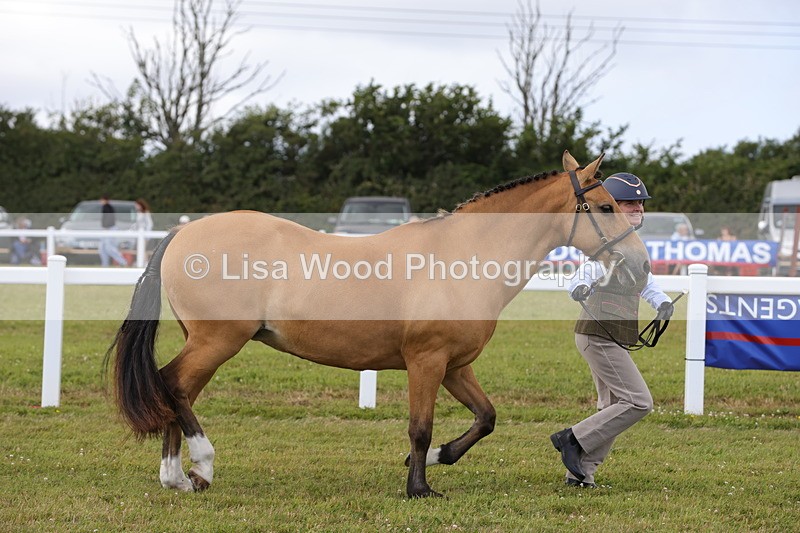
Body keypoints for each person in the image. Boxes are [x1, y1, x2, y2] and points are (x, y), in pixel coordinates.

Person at [550, 172, 674, 489]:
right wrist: (579, 286)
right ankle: (572, 438)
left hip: (612, 335)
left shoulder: (634, 248)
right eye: (629, 203)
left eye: (640, 204)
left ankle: (580, 473)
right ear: (613, 209)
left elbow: (647, 282)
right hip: (598, 334)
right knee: (638, 401)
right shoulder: (607, 247)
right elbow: (586, 271)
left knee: (611, 408)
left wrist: (662, 302)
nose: (638, 209)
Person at [99, 195, 129, 267]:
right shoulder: (108, 207)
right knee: (102, 248)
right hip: (107, 229)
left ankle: (123, 262)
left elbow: (109, 218)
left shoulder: (107, 207)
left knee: (109, 248)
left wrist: (106, 227)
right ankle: (105, 264)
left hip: (109, 229)